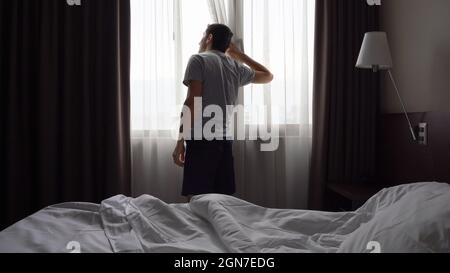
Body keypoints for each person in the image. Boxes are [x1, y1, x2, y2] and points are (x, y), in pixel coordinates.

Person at [172, 24, 273, 202]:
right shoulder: (235, 67)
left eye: (203, 36)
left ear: (209, 38)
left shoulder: (198, 60)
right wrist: (239, 55)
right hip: (224, 141)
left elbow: (192, 102)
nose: (200, 40)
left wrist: (180, 141)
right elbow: (268, 76)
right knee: (222, 203)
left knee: (197, 201)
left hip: (201, 140)